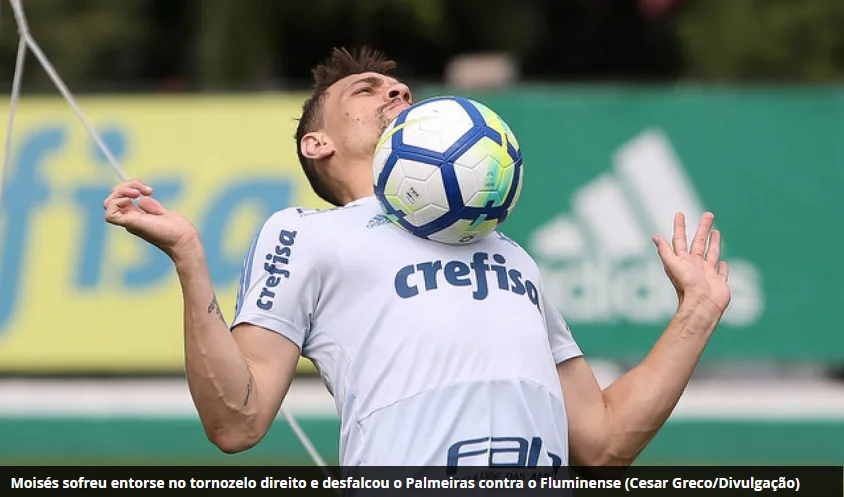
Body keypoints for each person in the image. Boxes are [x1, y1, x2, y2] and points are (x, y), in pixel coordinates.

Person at [103, 47, 731, 469]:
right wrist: (188, 257)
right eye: (367, 88)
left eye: (398, 85)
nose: (397, 89)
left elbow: (602, 440)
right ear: (316, 143)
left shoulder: (510, 254)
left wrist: (697, 312)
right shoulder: (307, 233)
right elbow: (236, 422)